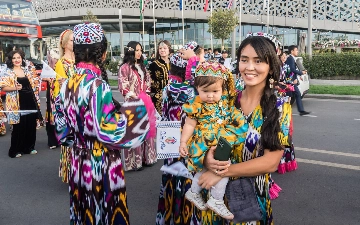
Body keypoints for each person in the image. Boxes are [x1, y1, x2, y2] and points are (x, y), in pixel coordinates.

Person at [54, 23, 155, 225]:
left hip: (78, 162)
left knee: (84, 211)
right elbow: (110, 133)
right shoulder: (98, 85)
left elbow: (62, 132)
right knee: (106, 212)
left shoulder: (66, 84)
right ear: (103, 53)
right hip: (101, 163)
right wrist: (139, 114)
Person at [186, 34, 292, 224]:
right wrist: (206, 160)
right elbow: (197, 134)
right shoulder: (225, 99)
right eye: (244, 60)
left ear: (270, 66)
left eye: (258, 61)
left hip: (250, 201)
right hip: (212, 201)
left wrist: (220, 172)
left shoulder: (279, 106)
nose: (249, 67)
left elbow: (270, 162)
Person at [179, 61, 247, 220]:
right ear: (197, 89)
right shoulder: (197, 105)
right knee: (216, 170)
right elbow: (189, 124)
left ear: (222, 89)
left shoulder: (224, 103)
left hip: (218, 143)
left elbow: (232, 115)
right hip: (203, 142)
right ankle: (214, 199)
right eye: (205, 91)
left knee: (219, 170)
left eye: (215, 91)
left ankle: (196, 193)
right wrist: (183, 142)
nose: (210, 95)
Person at [156, 52, 200, 224]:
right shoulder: (190, 91)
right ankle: (185, 217)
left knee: (171, 178)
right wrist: (194, 61)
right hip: (186, 140)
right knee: (187, 178)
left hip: (169, 139)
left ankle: (169, 216)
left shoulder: (168, 87)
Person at [118, 41, 157, 171]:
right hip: (132, 102)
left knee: (147, 130)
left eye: (141, 50)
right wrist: (132, 94)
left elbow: (147, 83)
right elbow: (123, 86)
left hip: (145, 101)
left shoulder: (142, 67)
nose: (140, 53)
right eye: (137, 50)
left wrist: (145, 94)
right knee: (134, 132)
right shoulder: (125, 67)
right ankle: (134, 162)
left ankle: (148, 158)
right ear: (131, 51)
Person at [0, 50, 42, 158]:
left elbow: (34, 84)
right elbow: (3, 87)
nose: (17, 60)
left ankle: (29, 147)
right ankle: (15, 150)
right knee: (19, 127)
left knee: (30, 125)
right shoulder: (8, 71)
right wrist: (15, 88)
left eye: (18, 57)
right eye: (14, 58)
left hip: (30, 100)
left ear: (22, 58)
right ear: (11, 60)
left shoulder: (26, 70)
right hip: (16, 102)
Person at [53, 29, 76, 183]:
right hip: (69, 105)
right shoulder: (61, 63)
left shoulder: (79, 59)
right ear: (64, 44)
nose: (74, 43)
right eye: (72, 40)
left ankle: (78, 169)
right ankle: (70, 172)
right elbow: (59, 90)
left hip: (80, 103)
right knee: (70, 139)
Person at [276, 50, 298, 175]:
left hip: (282, 102)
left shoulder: (286, 67)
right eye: (281, 56)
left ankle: (282, 161)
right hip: (272, 102)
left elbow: (290, 81)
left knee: (283, 131)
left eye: (284, 56)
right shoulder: (272, 67)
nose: (283, 58)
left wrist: (287, 85)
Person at [285, 45, 310, 115]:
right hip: (290, 81)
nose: (297, 51)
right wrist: (301, 72)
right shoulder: (290, 59)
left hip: (293, 80)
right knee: (288, 96)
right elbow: (291, 69)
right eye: (296, 50)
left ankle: (301, 111)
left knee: (296, 94)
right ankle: (285, 111)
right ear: (292, 51)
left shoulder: (292, 58)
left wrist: (297, 76)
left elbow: (293, 70)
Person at [148, 40, 171, 113]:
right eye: (160, 48)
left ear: (169, 49)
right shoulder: (153, 65)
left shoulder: (174, 63)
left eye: (164, 48)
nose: (162, 50)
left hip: (173, 95)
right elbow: (150, 81)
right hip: (159, 97)